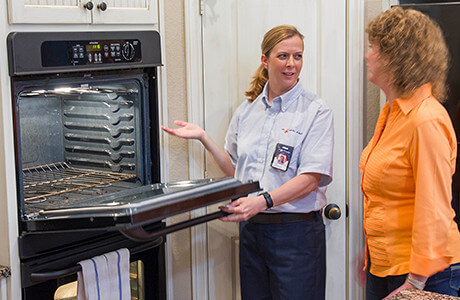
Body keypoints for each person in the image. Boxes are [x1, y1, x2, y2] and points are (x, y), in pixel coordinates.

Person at [162, 25, 334, 300]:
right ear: (265, 60)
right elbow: (236, 171)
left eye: (298, 56)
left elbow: (310, 179)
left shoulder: (315, 111)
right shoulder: (247, 111)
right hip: (253, 232)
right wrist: (203, 137)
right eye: (283, 56)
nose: (292, 64)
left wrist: (262, 201)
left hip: (296, 235)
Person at [360, 7, 460, 299]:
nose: (367, 56)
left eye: (373, 48)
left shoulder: (425, 119)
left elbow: (434, 207)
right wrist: (369, 257)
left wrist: (415, 282)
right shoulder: (393, 112)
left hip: (424, 275)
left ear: (395, 56)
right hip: (386, 268)